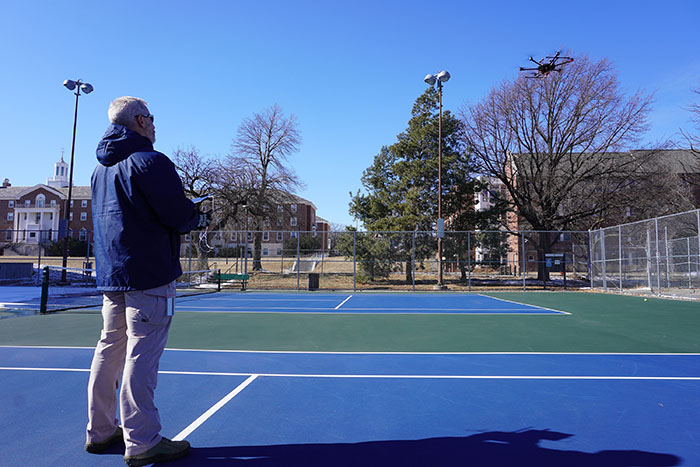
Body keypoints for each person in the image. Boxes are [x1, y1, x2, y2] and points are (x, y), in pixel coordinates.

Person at [85, 96, 207, 466]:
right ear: (139, 120)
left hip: (112, 275)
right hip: (149, 276)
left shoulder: (99, 171)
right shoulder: (151, 162)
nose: (154, 125)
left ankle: (101, 430)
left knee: (109, 350)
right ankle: (142, 441)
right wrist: (197, 216)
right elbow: (176, 215)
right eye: (151, 118)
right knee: (141, 353)